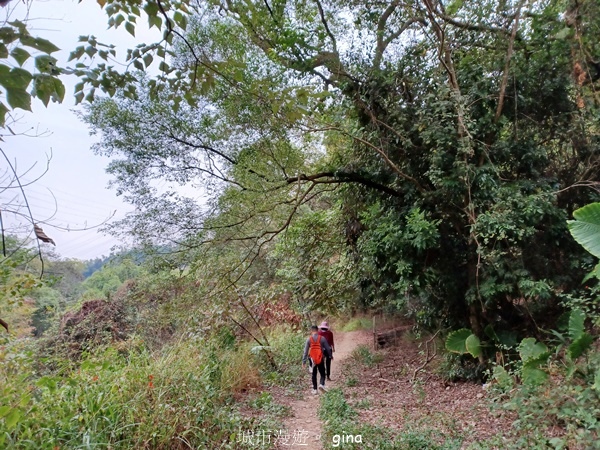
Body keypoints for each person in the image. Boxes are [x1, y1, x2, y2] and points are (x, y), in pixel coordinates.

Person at [302, 325, 332, 394]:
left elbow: (305, 351)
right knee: (322, 373)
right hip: (320, 358)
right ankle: (321, 384)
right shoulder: (322, 338)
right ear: (317, 330)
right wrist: (330, 356)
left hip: (312, 359)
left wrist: (304, 361)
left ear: (311, 331)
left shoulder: (309, 339)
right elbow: (328, 348)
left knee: (313, 374)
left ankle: (315, 389)